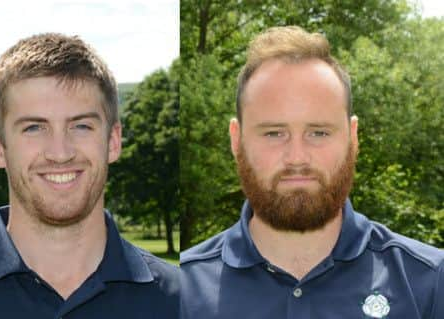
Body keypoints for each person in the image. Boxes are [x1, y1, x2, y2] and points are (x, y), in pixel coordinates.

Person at [180, 26, 443, 319]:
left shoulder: (430, 283)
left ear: (353, 138)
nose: (297, 157)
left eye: (318, 132)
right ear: (236, 139)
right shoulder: (180, 292)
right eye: (273, 133)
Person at [0, 33, 178, 318]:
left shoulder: (181, 301)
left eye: (81, 126)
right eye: (34, 127)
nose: (60, 153)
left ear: (113, 142)